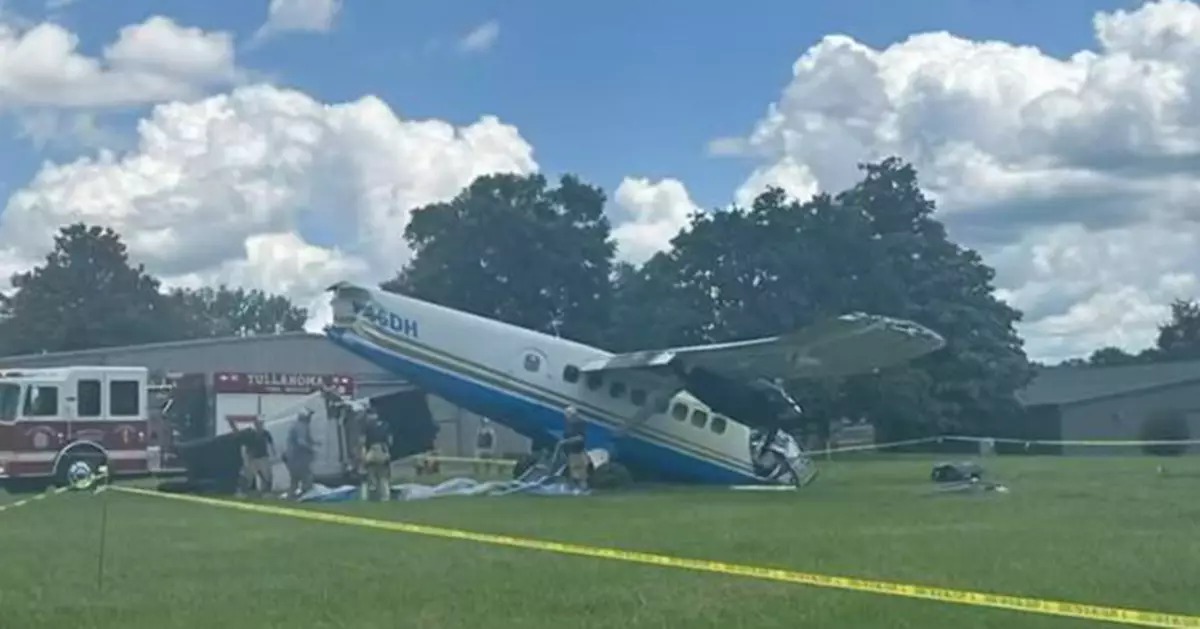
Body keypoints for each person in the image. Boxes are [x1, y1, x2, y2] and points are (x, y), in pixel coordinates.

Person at [238, 418, 275, 497]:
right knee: (248, 477)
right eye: (258, 423)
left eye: (261, 423)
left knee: (267, 476)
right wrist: (245, 458)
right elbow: (244, 446)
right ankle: (242, 492)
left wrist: (273, 454)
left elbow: (271, 444)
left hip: (263, 457)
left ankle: (266, 492)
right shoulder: (250, 434)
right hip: (252, 459)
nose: (260, 425)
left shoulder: (266, 433)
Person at [361, 409, 392, 501]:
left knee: (371, 474)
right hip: (383, 450)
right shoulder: (386, 425)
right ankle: (385, 496)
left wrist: (363, 455)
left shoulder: (367, 426)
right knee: (383, 477)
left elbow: (362, 442)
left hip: (372, 451)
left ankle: (371, 495)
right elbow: (390, 440)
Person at [286, 410, 317, 499]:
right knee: (307, 477)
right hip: (298, 457)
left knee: (295, 479)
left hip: (292, 457)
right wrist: (311, 449)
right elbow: (301, 442)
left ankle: (291, 496)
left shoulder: (299, 425)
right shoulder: (301, 426)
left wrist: (315, 442)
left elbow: (307, 439)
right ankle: (307, 496)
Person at [560, 406, 588, 490]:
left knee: (579, 472)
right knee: (573, 472)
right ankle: (576, 489)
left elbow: (580, 438)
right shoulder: (569, 425)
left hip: (577, 452)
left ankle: (583, 489)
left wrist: (566, 441)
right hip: (570, 452)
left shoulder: (577, 424)